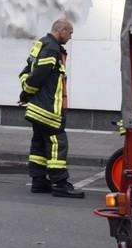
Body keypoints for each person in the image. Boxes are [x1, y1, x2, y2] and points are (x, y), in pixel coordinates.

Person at [18, 17, 84, 199]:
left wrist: (26, 94)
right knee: (58, 143)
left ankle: (39, 181)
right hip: (48, 109)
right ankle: (60, 184)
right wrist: (28, 92)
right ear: (61, 30)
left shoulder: (42, 44)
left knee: (39, 143)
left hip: (38, 107)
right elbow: (38, 76)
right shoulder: (51, 48)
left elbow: (26, 72)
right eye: (70, 32)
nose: (70, 37)